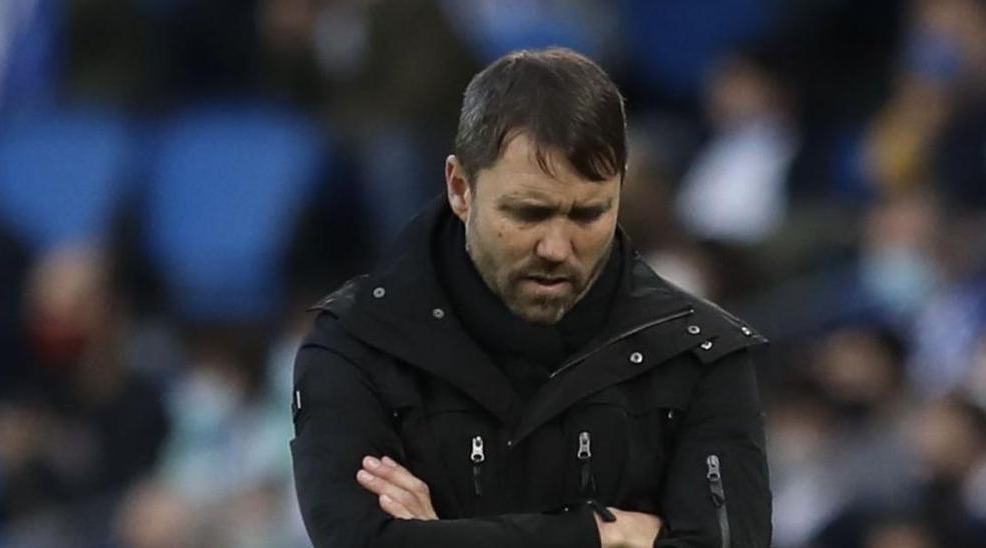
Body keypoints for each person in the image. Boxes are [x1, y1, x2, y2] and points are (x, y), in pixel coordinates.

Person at [290, 48, 771, 548]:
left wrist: (444, 539)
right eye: (528, 213)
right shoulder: (356, 346)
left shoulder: (698, 354)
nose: (557, 249)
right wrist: (595, 534)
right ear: (460, 188)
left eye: (588, 215)